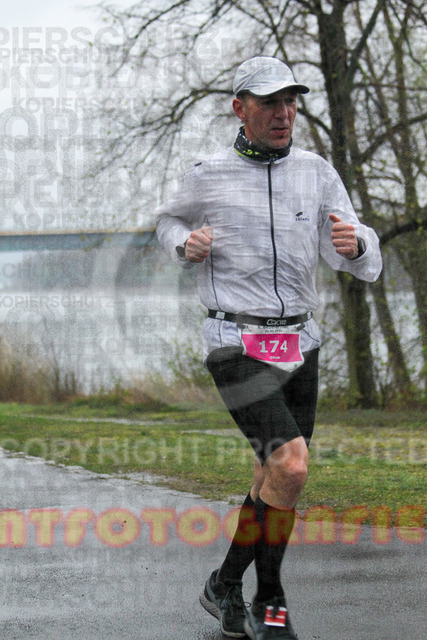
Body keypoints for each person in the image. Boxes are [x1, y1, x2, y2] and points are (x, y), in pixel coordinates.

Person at [156, 56, 382, 640]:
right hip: (236, 339)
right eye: (269, 103)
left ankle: (224, 584)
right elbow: (167, 223)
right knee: (292, 464)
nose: (284, 113)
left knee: (272, 475)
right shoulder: (208, 173)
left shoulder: (316, 172)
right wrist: (185, 243)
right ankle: (270, 600)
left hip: (299, 341)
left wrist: (356, 243)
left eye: (290, 102)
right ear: (240, 108)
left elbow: (355, 250)